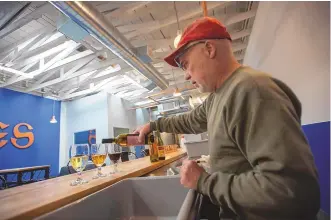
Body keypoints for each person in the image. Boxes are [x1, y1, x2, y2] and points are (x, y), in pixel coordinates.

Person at [134, 17, 320, 220]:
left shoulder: (251, 90)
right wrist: (152, 125)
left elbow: (290, 190)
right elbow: (189, 120)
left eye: (186, 64)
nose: (186, 75)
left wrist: (204, 181)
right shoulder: (218, 96)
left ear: (209, 49)